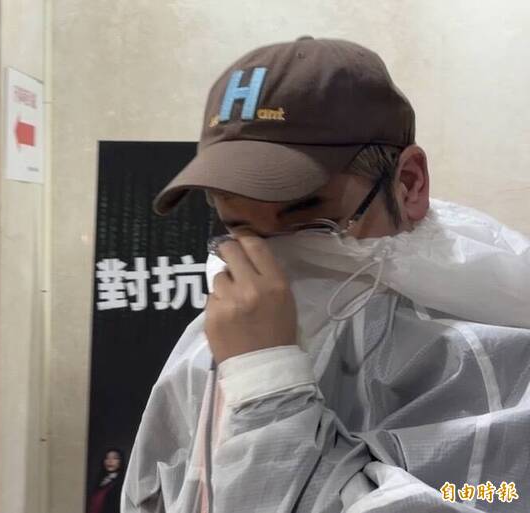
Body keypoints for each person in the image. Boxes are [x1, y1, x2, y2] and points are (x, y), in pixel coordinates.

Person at [122, 37, 530, 512]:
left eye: (310, 223)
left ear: (408, 183)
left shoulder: (489, 365)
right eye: (239, 228)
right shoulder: (210, 348)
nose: (272, 264)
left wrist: (268, 387)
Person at [88, 448, 126, 513]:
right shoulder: (99, 481)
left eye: (115, 458)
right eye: (107, 458)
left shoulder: (123, 483)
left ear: (120, 462)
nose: (110, 461)